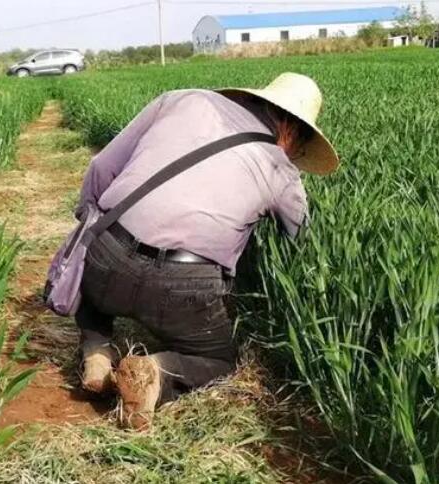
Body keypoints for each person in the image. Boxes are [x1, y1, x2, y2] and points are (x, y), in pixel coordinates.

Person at [74, 72, 339, 429]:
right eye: (299, 146)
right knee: (220, 358)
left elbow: (101, 168)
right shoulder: (281, 169)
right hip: (182, 288)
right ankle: (156, 372)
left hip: (107, 257)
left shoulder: (180, 99)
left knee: (91, 284)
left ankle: (97, 351)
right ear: (291, 130)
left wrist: (89, 233)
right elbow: (303, 238)